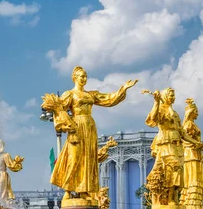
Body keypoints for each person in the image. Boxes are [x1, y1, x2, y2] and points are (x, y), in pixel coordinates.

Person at [48, 66, 137, 202]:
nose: (84, 79)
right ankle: (67, 189)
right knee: (74, 158)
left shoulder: (91, 94)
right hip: (76, 127)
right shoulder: (70, 94)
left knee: (87, 160)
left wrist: (123, 89)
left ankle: (83, 190)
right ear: (75, 78)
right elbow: (59, 109)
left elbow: (108, 99)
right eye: (81, 76)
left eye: (85, 76)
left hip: (89, 127)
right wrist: (64, 120)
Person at [145, 88, 202, 206]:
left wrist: (195, 142)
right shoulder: (161, 109)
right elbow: (153, 120)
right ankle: (169, 199)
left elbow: (182, 132)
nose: (173, 98)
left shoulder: (175, 113)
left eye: (174, 96)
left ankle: (174, 198)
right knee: (171, 168)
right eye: (171, 95)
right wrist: (156, 102)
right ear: (165, 96)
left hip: (177, 146)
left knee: (178, 170)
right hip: (165, 144)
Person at [180, 98, 203, 209]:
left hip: (195, 154)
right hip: (191, 154)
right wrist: (198, 145)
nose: (197, 113)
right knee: (192, 178)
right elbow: (184, 139)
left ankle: (195, 203)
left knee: (195, 177)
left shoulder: (192, 124)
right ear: (191, 113)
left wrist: (202, 146)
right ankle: (191, 203)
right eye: (196, 111)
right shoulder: (188, 125)